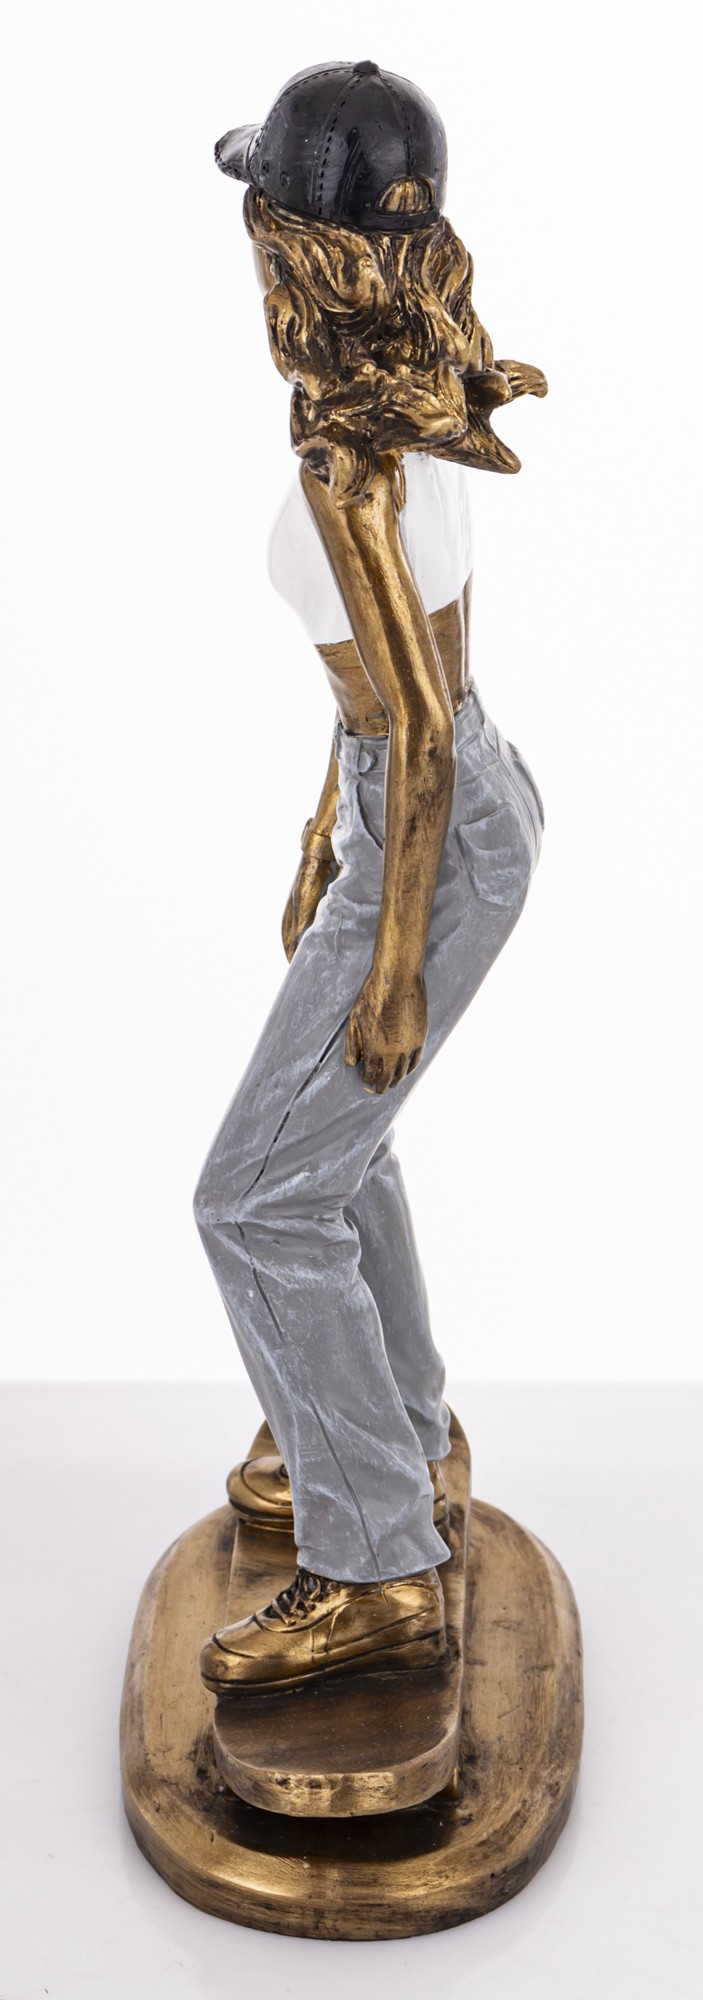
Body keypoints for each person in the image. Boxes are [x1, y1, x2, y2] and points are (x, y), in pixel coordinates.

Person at [194, 62, 547, 1695]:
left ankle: (376, 1562)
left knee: (255, 1202)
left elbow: (411, 721)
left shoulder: (350, 465)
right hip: (437, 797)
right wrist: (318, 835)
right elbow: (403, 701)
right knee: (330, 1155)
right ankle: (396, 1435)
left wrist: (390, 960)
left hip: (433, 817)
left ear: (294, 249)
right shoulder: (422, 396)